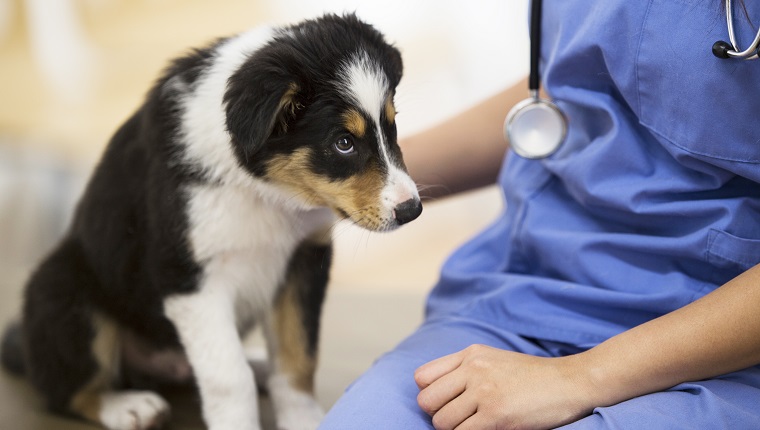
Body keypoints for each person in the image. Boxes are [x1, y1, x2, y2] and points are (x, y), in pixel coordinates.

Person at [319, 1, 760, 429]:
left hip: (716, 341)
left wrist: (577, 378)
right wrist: (347, 179)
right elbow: (571, 86)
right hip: (526, 294)